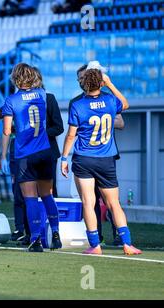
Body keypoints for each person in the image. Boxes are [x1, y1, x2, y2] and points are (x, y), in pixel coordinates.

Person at [61, 68, 142, 255]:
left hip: (84, 159)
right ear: (101, 83)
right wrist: (111, 84)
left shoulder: (78, 105)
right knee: (114, 203)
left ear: (84, 84)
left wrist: (64, 158)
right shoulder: (110, 100)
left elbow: (71, 135)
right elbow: (126, 104)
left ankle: (95, 245)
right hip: (106, 159)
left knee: (88, 202)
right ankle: (127, 244)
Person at [2, 63, 62, 252]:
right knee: (47, 195)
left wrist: (3, 156)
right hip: (45, 151)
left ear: (15, 78)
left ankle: (35, 239)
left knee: (30, 198)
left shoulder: (11, 100)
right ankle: (56, 234)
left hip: (25, 154)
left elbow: (6, 130)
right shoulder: (43, 95)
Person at [75, 64, 122, 246]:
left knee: (110, 201)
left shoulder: (97, 101)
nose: (81, 80)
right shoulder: (82, 101)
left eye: (83, 77)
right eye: (79, 78)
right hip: (97, 157)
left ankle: (115, 236)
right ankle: (99, 239)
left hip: (99, 155)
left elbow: (121, 122)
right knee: (93, 200)